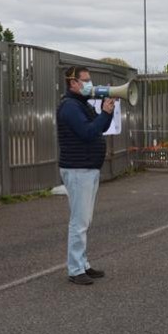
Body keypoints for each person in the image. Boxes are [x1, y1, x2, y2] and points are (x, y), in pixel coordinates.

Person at [58, 66, 115, 285]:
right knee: (79, 221)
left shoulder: (81, 104)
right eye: (86, 80)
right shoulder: (70, 107)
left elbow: (99, 128)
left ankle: (82, 264)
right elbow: (88, 133)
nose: (90, 84)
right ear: (73, 83)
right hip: (78, 169)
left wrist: (105, 112)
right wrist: (104, 115)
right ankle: (75, 269)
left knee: (85, 219)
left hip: (87, 168)